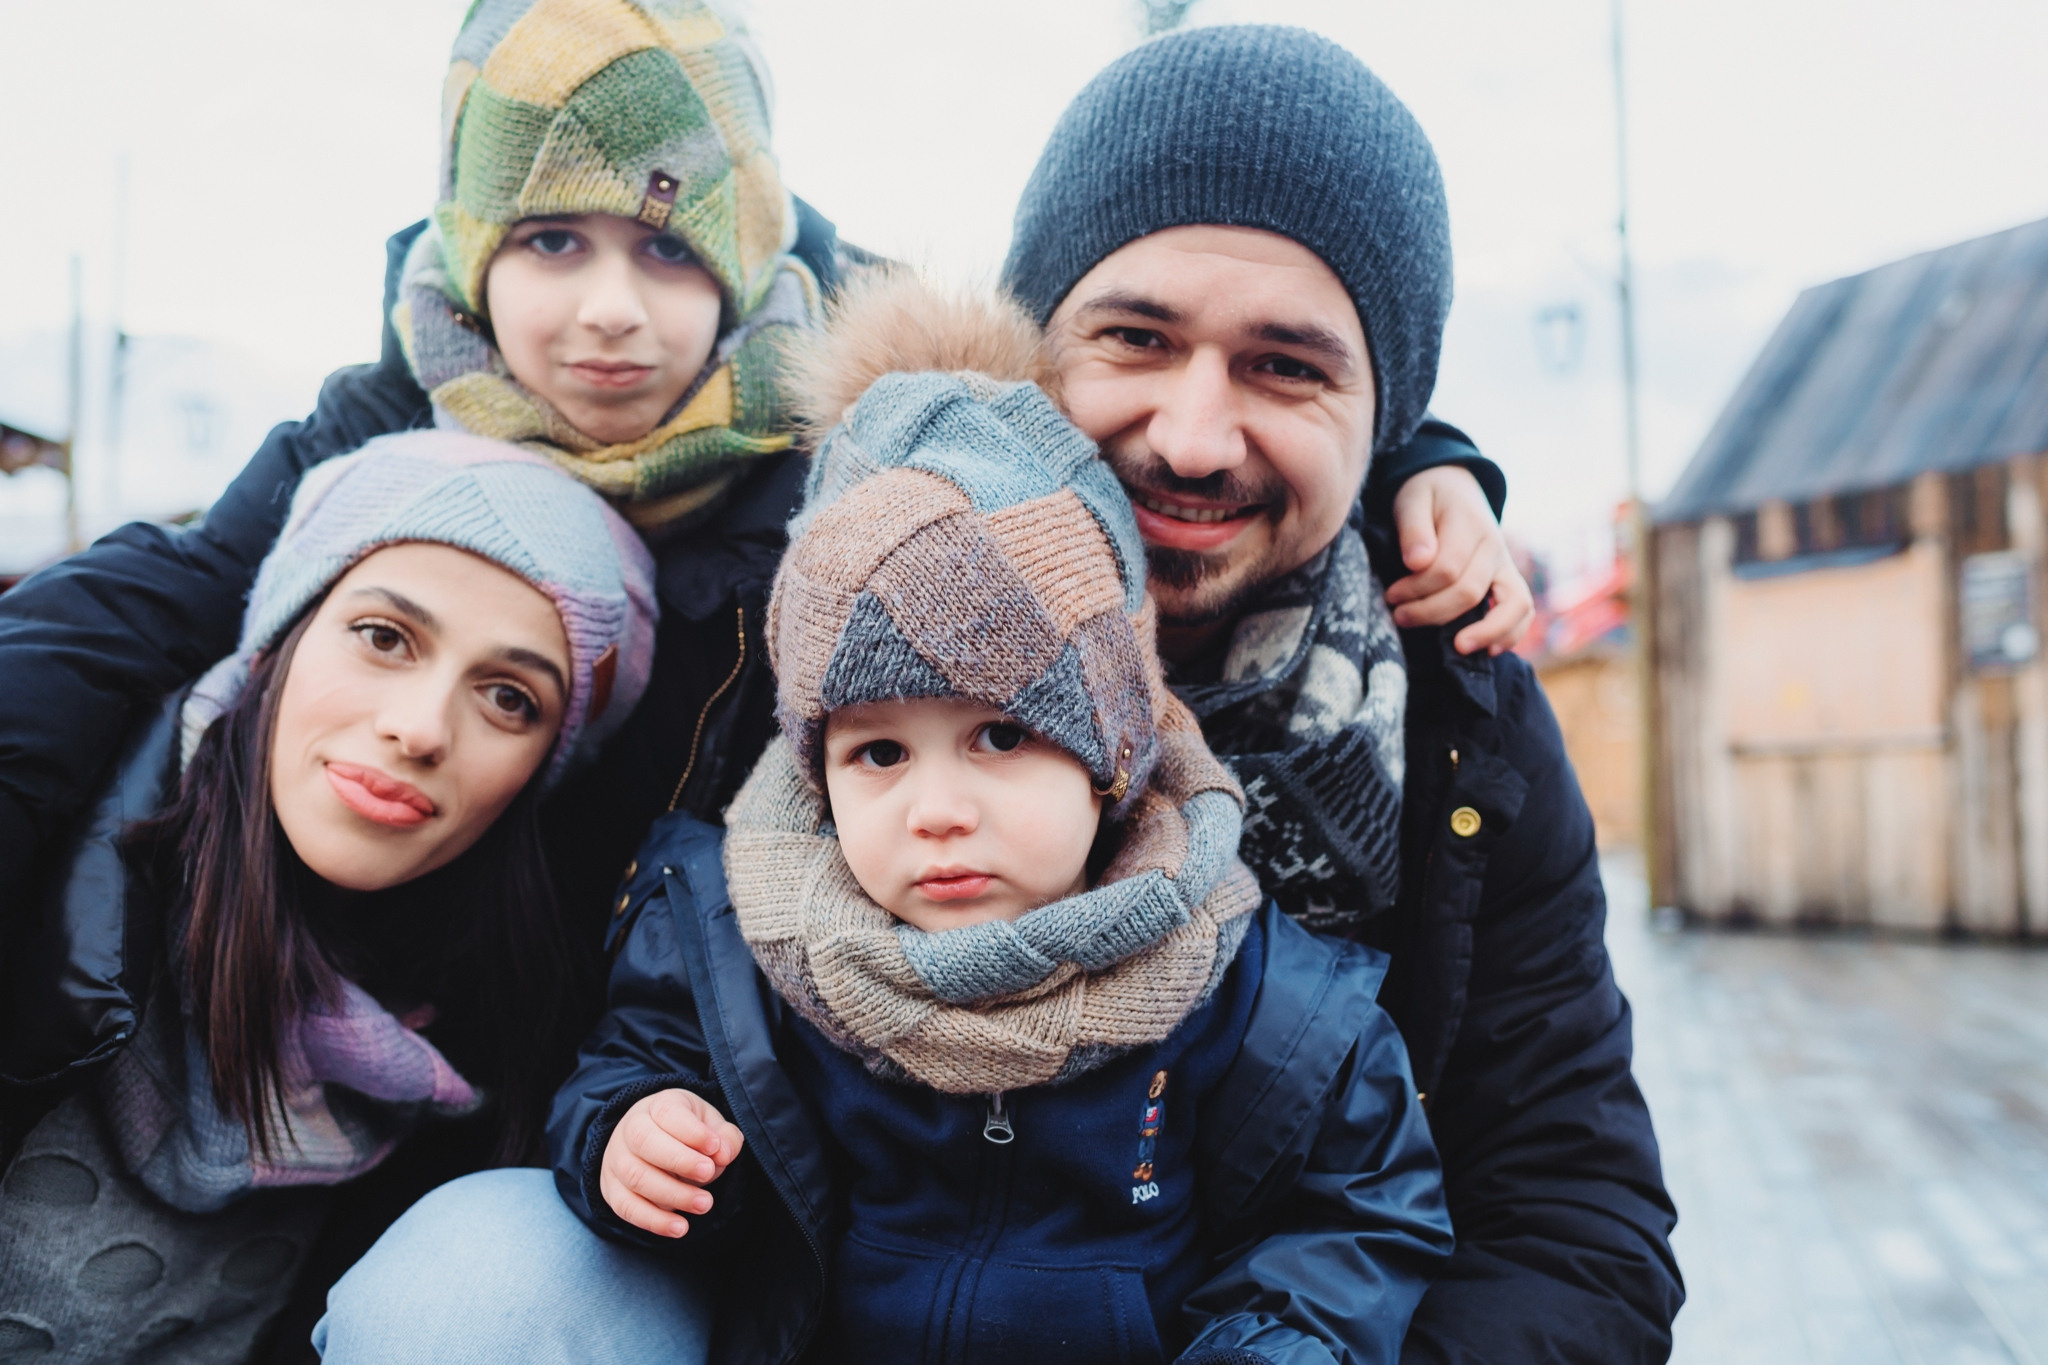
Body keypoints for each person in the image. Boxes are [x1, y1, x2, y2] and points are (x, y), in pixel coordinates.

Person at [0, 5, 1532, 935]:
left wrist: (1420, 461)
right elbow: (150, 599)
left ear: (743, 266)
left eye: (669, 248)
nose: (606, 309)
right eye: (546, 241)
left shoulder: (848, 455)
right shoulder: (393, 437)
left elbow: (1559, 1189)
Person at [314, 274, 1454, 1365]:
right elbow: (639, 1063)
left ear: (1112, 748)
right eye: (876, 753)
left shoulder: (1246, 985)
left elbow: (1357, 1210)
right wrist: (631, 1134)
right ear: (817, 768)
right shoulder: (742, 940)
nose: (938, 810)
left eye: (1003, 736)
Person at [996, 27, 1683, 1361]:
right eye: (1135, 337)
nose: (1194, 436)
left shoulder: (1464, 723)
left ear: (1384, 417)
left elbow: (1576, 1236)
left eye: (1288, 366)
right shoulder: (844, 616)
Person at [0, 431, 658, 1365]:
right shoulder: (41, 859)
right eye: (384, 637)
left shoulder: (496, 1048)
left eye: (510, 697)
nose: (421, 728)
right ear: (282, 640)